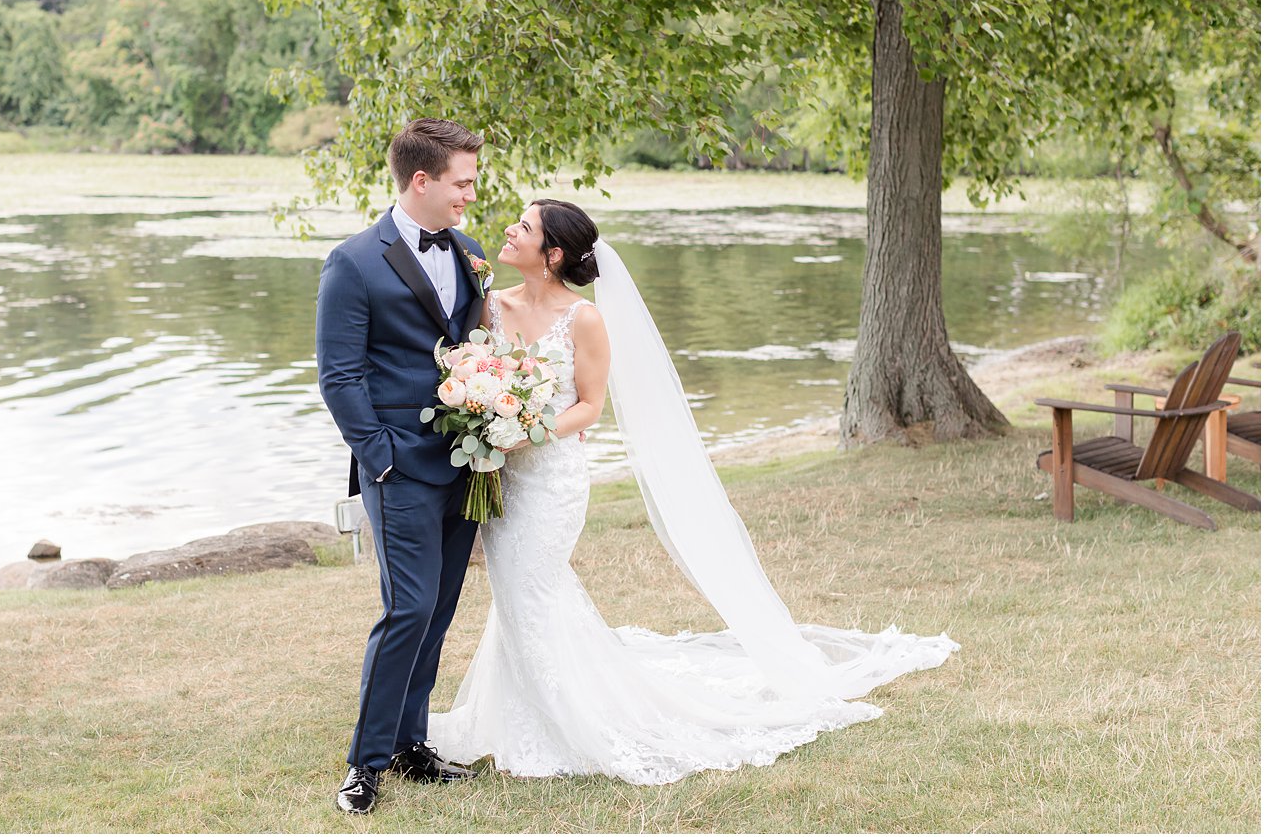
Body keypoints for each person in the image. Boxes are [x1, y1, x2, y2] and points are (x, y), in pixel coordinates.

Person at [427, 199, 960, 785]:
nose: (509, 229)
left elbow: (591, 405)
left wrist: (531, 429)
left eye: (523, 228)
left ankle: (566, 723)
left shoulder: (584, 319)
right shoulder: (490, 305)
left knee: (532, 591)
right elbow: (473, 370)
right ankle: (514, 717)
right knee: (517, 594)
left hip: (552, 479)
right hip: (505, 478)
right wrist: (483, 415)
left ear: (552, 255)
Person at [314, 118, 493, 814]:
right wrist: (380, 460)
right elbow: (339, 376)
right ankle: (366, 763)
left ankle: (412, 743)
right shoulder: (354, 262)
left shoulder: (472, 252)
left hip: (466, 464)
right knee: (407, 607)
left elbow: (475, 348)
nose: (470, 196)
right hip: (399, 470)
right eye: (462, 182)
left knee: (439, 611)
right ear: (421, 180)